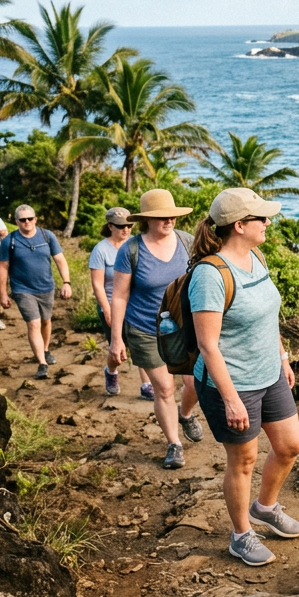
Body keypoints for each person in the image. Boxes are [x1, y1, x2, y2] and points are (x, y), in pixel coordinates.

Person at [190, 188, 299, 567]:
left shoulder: (256, 256)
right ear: (239, 225)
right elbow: (208, 346)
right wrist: (231, 399)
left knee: (290, 445)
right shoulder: (210, 275)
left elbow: (268, 316)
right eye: (261, 218)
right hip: (232, 382)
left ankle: (265, 508)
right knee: (243, 460)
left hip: (269, 373)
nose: (268, 222)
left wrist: (283, 358)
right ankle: (241, 535)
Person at [109, 189, 203, 470]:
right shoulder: (131, 250)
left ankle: (185, 415)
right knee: (164, 388)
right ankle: (174, 444)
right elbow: (120, 296)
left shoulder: (187, 242)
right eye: (162, 217)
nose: (169, 220)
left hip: (184, 327)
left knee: (194, 383)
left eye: (172, 216)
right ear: (147, 220)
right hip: (144, 327)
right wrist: (116, 339)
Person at [0, 205, 73, 380]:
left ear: (35, 219)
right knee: (34, 324)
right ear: (17, 221)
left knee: (46, 321)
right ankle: (42, 364)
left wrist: (66, 282)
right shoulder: (10, 241)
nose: (27, 222)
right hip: (22, 289)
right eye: (22, 220)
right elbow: (2, 267)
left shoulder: (47, 236)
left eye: (30, 218)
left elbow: (60, 260)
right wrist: (3, 293)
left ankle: (45, 350)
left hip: (46, 287)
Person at [88, 207, 152, 396]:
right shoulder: (101, 250)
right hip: (111, 303)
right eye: (121, 226)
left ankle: (147, 384)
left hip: (136, 305)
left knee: (140, 344)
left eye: (129, 226)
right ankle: (111, 371)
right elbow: (98, 284)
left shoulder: (136, 245)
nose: (126, 229)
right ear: (110, 226)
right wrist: (106, 309)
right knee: (117, 348)